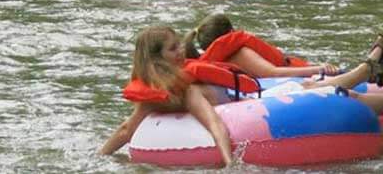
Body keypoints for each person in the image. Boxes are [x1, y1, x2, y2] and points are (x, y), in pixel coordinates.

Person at [100, 25, 262, 166]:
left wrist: (229, 164)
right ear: (157, 59)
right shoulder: (153, 95)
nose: (181, 51)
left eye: (179, 45)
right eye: (173, 48)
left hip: (226, 99)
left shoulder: (190, 91)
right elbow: (126, 130)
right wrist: (101, 156)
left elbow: (215, 124)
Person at [184, 13, 340, 78]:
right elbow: (272, 73)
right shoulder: (241, 53)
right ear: (231, 32)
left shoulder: (215, 61)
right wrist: (320, 69)